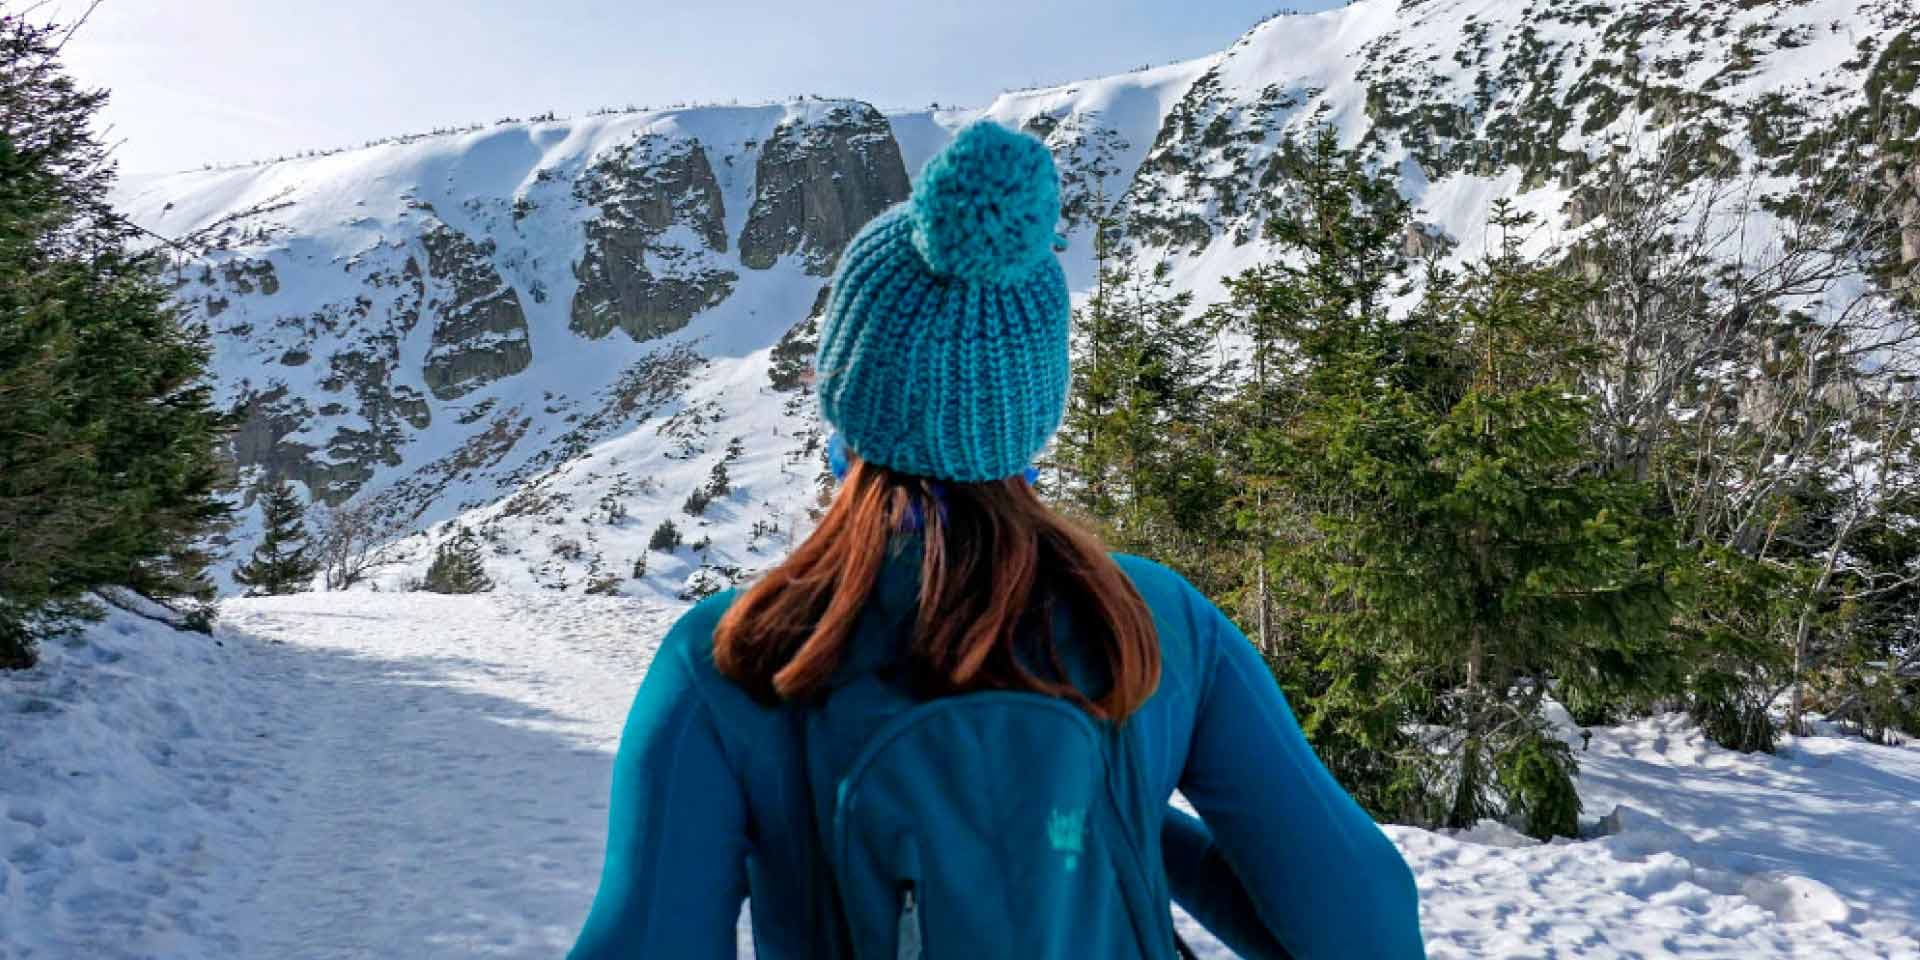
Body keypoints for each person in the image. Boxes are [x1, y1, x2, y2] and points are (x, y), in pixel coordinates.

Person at [567, 120, 1425, 959]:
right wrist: (1110, 817)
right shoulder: (1152, 623)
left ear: (845, 391)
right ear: (1033, 407)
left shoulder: (738, 655)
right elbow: (1366, 924)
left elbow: (643, 939)